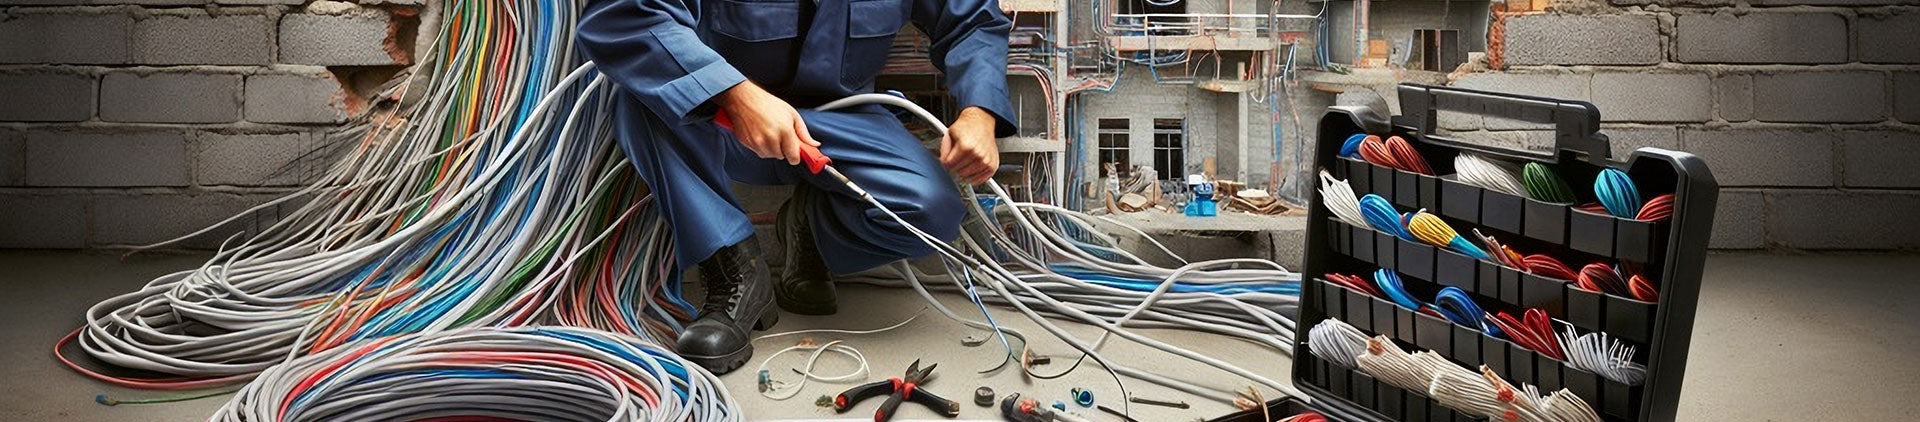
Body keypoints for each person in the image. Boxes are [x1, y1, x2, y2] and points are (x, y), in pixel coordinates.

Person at [576, 0, 1016, 373]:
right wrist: (733, 93)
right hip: (720, 118)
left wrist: (979, 111)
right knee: (639, 102)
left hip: (845, 119)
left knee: (930, 212)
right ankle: (734, 269)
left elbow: (973, 17)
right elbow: (625, 13)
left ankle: (808, 230)